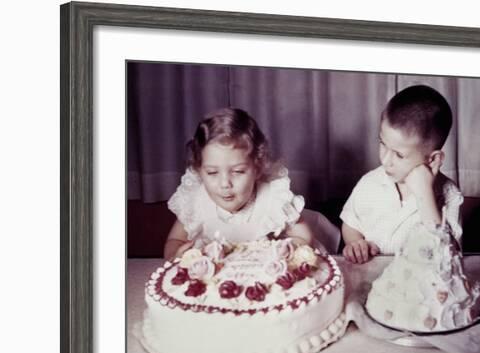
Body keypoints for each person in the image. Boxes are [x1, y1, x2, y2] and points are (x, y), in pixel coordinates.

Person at [164, 107, 313, 261]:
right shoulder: (195, 201)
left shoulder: (273, 198)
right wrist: (176, 256)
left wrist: (288, 250)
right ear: (199, 170)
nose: (225, 184)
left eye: (238, 171)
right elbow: (175, 241)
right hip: (214, 282)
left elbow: (303, 236)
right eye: (212, 173)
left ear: (257, 168)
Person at [340, 84, 463, 264]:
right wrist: (356, 243)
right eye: (382, 143)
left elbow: (448, 259)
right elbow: (351, 224)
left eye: (399, 155)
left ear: (432, 159)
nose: (385, 160)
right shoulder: (370, 182)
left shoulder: (450, 195)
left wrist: (424, 195)